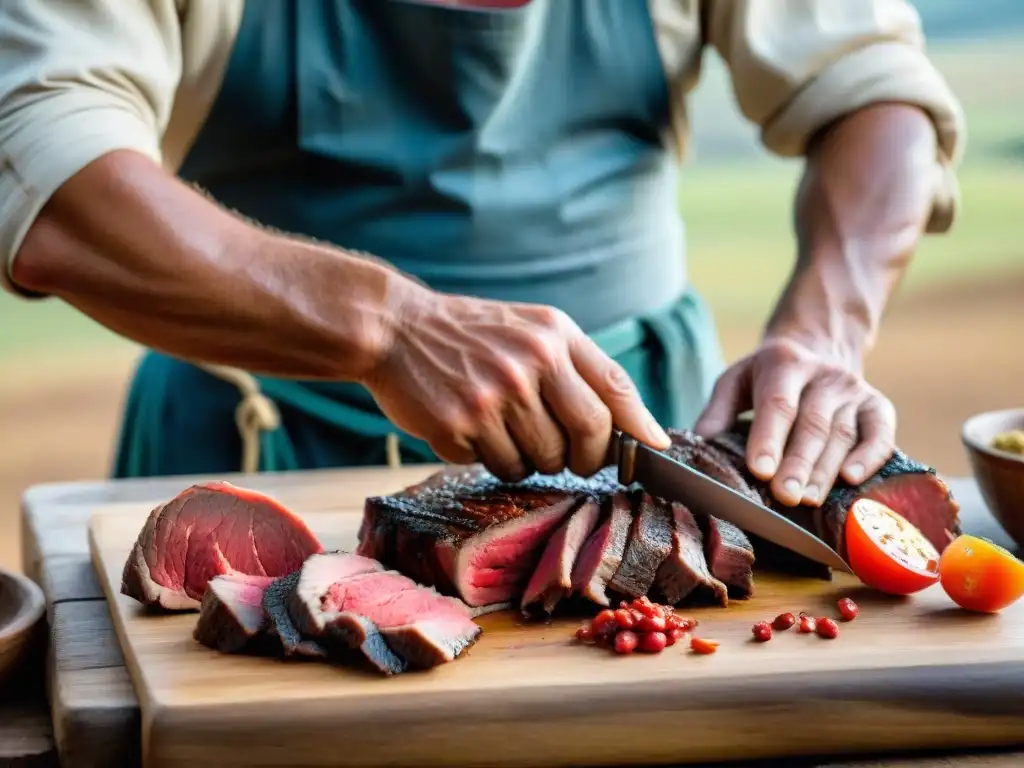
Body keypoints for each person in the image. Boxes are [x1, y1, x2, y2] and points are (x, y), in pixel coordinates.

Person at [0, 0, 964, 509]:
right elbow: (51, 168)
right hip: (254, 447)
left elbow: (874, 92)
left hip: (645, 438)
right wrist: (387, 328)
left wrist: (825, 332)